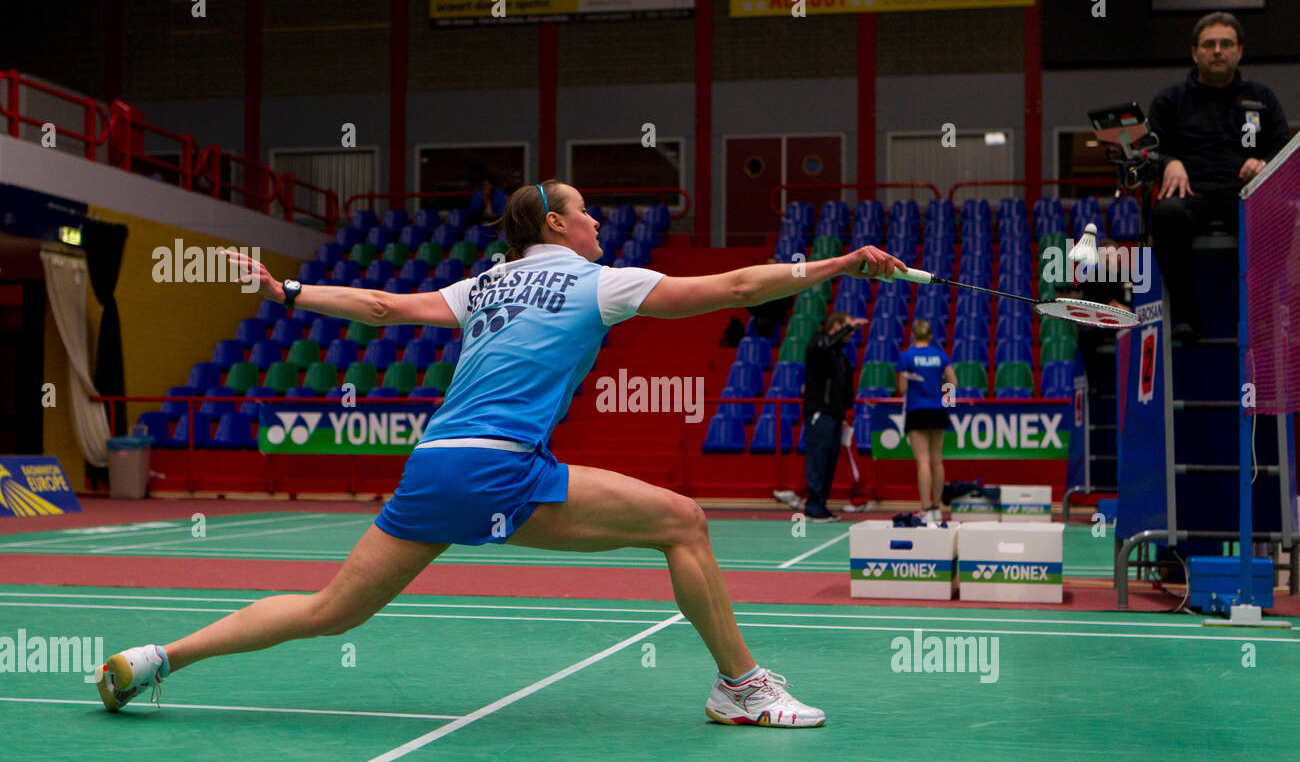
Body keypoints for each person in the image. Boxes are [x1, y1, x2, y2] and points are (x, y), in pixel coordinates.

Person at [94, 179, 906, 728]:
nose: (599, 227)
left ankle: (158, 656)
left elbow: (380, 306)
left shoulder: (483, 284)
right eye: (588, 215)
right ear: (556, 224)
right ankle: (741, 689)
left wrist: (290, 293)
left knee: (328, 611)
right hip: (500, 468)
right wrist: (840, 263)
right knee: (685, 521)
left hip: (435, 464)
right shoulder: (603, 282)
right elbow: (731, 291)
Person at [1148, 11, 1290, 343]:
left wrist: (1264, 164)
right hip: (1190, 194)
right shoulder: (1170, 101)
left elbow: (1284, 151)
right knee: (1166, 213)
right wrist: (1168, 162)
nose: (1217, 51)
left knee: (1282, 212)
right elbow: (1146, 153)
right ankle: (1186, 318)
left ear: (1239, 50)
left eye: (1226, 44)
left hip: (1244, 194)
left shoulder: (1262, 99)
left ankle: (1258, 310)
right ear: (1194, 52)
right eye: (1209, 44)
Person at [799, 311, 866, 522]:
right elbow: (825, 345)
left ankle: (821, 505)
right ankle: (812, 506)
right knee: (818, 460)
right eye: (846, 328)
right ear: (836, 325)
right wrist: (851, 326)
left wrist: (846, 412)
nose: (849, 334)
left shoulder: (841, 356)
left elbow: (846, 388)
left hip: (835, 415)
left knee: (829, 462)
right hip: (820, 412)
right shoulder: (818, 343)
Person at [896, 319, 955, 525]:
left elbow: (902, 389)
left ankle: (926, 509)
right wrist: (945, 398)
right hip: (938, 410)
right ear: (930, 336)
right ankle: (938, 509)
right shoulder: (940, 355)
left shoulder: (906, 357)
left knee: (923, 462)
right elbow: (953, 382)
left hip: (916, 410)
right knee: (936, 460)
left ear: (913, 335)